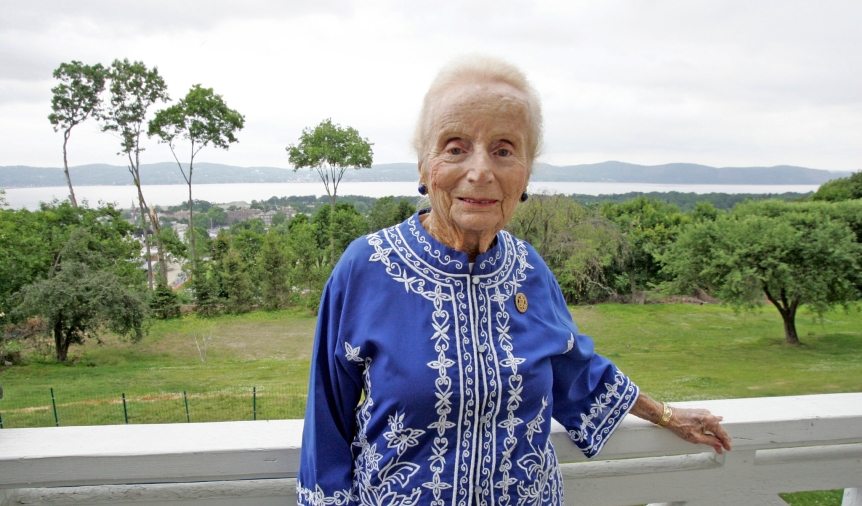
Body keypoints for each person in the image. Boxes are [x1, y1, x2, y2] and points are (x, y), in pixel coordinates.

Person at [297, 56, 732, 506]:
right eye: (455, 146)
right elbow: (327, 412)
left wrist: (664, 415)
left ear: (525, 173)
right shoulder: (368, 266)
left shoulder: (528, 268)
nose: (481, 170)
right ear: (425, 167)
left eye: (504, 149)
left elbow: (573, 366)